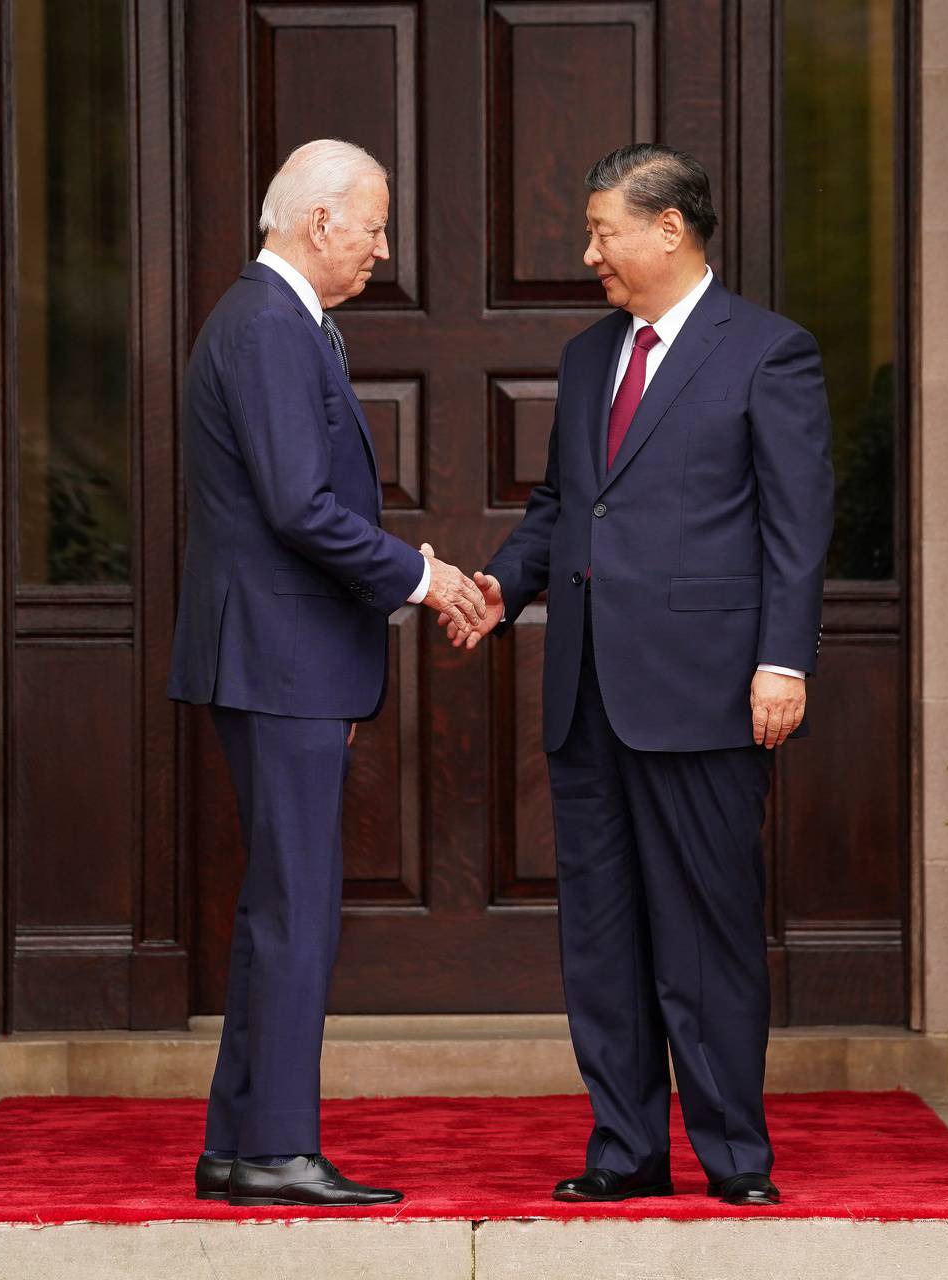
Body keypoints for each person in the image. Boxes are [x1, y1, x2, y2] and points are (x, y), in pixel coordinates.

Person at [444, 142, 834, 1208]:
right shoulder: (584, 358)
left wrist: (782, 660)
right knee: (603, 936)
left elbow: (798, 530)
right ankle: (624, 1146)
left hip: (709, 689)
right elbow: (562, 507)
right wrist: (497, 585)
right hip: (588, 694)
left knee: (706, 934)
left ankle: (734, 1158)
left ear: (671, 229)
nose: (589, 253)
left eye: (603, 230)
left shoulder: (769, 352)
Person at [168, 137, 486, 1208]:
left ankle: (238, 1141)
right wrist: (425, 576)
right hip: (281, 655)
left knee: (280, 900)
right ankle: (278, 1149)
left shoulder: (283, 323)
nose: (383, 246)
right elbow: (299, 507)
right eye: (376, 224)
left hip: (289, 655)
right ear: (319, 223)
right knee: (297, 907)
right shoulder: (267, 325)